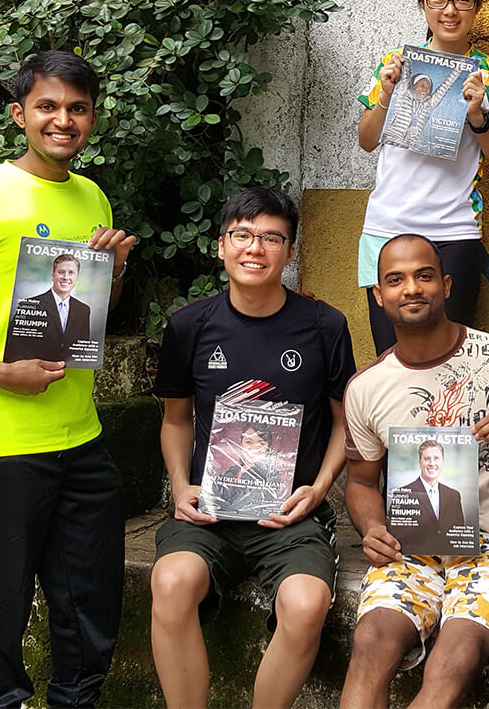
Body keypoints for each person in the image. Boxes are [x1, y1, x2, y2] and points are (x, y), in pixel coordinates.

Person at [0, 51, 136, 709]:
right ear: (20, 114)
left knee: (89, 595)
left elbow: (92, 317)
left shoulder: (92, 194)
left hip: (79, 433)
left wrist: (114, 272)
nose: (62, 119)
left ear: (92, 116)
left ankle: (76, 699)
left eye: (76, 107)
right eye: (48, 105)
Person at [150, 187, 355, 709]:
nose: (255, 248)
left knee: (307, 603)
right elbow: (175, 421)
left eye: (271, 238)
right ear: (221, 245)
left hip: (291, 517)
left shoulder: (325, 326)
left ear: (290, 251)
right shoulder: (189, 326)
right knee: (172, 581)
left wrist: (318, 488)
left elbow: (343, 424)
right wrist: (180, 487)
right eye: (242, 235)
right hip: (208, 514)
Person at [341, 233, 489, 709]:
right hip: (411, 546)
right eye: (395, 280)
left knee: (456, 656)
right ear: (378, 296)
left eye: (423, 276)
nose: (412, 288)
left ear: (444, 284)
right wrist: (373, 525)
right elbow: (360, 482)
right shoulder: (366, 388)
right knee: (370, 644)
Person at [355, 0, 489, 355]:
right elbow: (365, 139)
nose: (450, 10)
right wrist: (387, 96)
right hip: (386, 228)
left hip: (453, 232)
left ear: (477, 6)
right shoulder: (397, 63)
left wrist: (477, 117)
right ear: (423, 4)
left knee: (452, 363)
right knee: (390, 359)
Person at [7, 252, 93, 363]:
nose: (66, 277)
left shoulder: (83, 310)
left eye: (71, 273)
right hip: (33, 375)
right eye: (61, 272)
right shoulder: (29, 305)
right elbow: (13, 349)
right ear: (53, 276)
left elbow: (82, 349)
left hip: (70, 375)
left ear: (76, 277)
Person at [387, 438, 468, 545]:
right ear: (420, 463)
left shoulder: (454, 495)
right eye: (427, 459)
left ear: (442, 462)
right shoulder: (402, 494)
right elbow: (396, 536)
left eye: (436, 458)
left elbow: (459, 535)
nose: (432, 463)